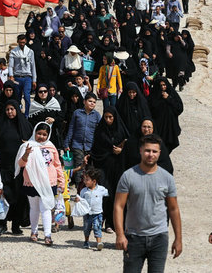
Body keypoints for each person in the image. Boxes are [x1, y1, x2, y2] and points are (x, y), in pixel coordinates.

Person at [114, 134, 182, 272]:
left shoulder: (167, 178)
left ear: (159, 153)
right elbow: (118, 206)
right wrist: (120, 235)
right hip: (133, 237)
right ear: (140, 151)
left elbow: (173, 209)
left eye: (154, 151)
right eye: (147, 150)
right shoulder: (128, 176)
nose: (150, 154)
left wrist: (178, 239)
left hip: (159, 237)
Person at [15, 122, 64, 246]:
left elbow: (57, 165)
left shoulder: (52, 147)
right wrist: (26, 154)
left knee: (46, 208)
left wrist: (61, 181)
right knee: (34, 208)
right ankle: (34, 232)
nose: (41, 136)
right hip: (32, 181)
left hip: (49, 182)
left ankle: (47, 235)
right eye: (39, 133)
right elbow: (20, 164)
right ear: (34, 132)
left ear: (48, 135)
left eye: (44, 134)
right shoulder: (27, 146)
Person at [0, 100, 32, 235]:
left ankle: (16, 225)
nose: (9, 112)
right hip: (3, 166)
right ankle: (2, 224)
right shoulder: (0, 125)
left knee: (19, 197)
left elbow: (33, 144)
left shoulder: (25, 125)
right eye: (7, 109)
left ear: (17, 109)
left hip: (20, 168)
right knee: (2, 196)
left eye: (12, 109)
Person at [90, 106, 129, 233]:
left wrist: (121, 151)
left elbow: (130, 149)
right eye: (106, 117)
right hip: (103, 168)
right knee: (105, 194)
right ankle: (102, 220)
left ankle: (113, 223)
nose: (108, 120)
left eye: (110, 117)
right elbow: (95, 150)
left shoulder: (121, 131)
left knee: (116, 194)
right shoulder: (100, 131)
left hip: (118, 168)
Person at [64, 92, 101, 187]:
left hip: (90, 146)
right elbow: (71, 128)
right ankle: (78, 189)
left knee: (90, 169)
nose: (92, 103)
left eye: (94, 102)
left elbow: (99, 132)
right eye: (90, 101)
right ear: (84, 102)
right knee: (79, 169)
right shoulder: (77, 113)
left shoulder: (97, 115)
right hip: (77, 145)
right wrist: (66, 143)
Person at [74, 167, 109, 250]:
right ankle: (86, 241)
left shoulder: (101, 189)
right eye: (84, 179)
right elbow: (80, 198)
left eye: (87, 180)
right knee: (87, 228)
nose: (85, 181)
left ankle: (99, 243)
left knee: (97, 227)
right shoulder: (83, 191)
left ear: (94, 181)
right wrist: (77, 200)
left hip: (98, 213)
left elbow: (107, 194)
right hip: (87, 214)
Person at [148, 78, 183, 153]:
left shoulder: (171, 93)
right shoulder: (153, 95)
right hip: (158, 127)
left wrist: (169, 99)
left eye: (164, 85)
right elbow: (150, 108)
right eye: (160, 85)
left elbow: (179, 108)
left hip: (170, 127)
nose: (163, 87)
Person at [28, 83, 64, 150]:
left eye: (45, 91)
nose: (43, 93)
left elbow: (61, 117)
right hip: (39, 136)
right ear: (37, 93)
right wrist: (42, 124)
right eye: (40, 92)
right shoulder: (33, 105)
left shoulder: (54, 102)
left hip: (53, 135)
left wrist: (54, 119)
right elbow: (30, 121)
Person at [8, 34, 37, 117]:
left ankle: (27, 115)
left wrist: (34, 79)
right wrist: (11, 75)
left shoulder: (30, 52)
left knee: (27, 97)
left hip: (27, 77)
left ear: (26, 42)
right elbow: (10, 65)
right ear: (18, 42)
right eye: (20, 42)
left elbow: (33, 66)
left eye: (23, 42)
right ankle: (18, 114)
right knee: (17, 96)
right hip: (17, 77)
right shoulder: (14, 52)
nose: (22, 44)